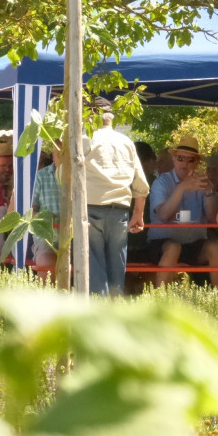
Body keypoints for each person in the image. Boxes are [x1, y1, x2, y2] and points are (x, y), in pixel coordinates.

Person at [83, 99, 150, 295]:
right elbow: (141, 184)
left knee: (94, 270)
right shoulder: (126, 142)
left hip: (91, 209)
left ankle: (98, 319)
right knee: (116, 271)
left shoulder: (85, 139)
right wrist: (138, 215)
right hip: (120, 212)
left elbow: (66, 177)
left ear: (90, 116)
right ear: (110, 118)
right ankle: (114, 315)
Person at [149, 135, 218, 289]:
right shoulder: (162, 182)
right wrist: (182, 188)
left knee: (214, 246)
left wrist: (209, 192)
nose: (184, 164)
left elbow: (213, 220)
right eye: (180, 158)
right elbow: (163, 215)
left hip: (194, 242)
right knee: (173, 247)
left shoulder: (202, 182)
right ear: (173, 160)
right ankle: (159, 302)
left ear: (197, 163)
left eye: (190, 160)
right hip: (163, 242)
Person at [31, 141, 61, 279]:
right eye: (58, 154)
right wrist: (44, 218)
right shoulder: (40, 176)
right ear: (53, 155)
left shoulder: (81, 176)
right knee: (46, 262)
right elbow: (29, 212)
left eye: (65, 154)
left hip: (77, 238)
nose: (62, 157)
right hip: (47, 237)